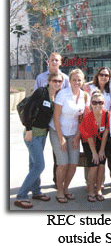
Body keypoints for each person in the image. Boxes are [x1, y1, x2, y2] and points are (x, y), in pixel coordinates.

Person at [14, 72, 63, 209]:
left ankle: (36, 192)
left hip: (42, 135)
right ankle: (21, 196)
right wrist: (28, 129)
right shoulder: (41, 92)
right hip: (32, 134)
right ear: (49, 81)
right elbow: (28, 108)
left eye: (60, 81)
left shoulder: (55, 96)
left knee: (33, 165)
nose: (57, 83)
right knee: (39, 166)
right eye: (55, 80)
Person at [50, 69, 87, 203]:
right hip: (58, 131)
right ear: (69, 81)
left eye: (79, 80)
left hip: (74, 133)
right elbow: (56, 118)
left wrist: (77, 137)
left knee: (73, 163)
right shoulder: (62, 94)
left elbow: (83, 119)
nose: (77, 82)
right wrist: (61, 138)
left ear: (83, 81)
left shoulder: (84, 95)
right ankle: (59, 191)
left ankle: (66, 189)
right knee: (63, 163)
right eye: (74, 80)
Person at [34, 52, 70, 186]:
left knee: (58, 153)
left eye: (57, 60)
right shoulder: (40, 78)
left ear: (61, 62)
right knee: (37, 154)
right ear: (47, 62)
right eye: (52, 60)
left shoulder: (65, 78)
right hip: (42, 121)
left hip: (58, 121)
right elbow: (34, 99)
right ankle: (35, 183)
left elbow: (67, 98)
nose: (54, 62)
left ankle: (58, 180)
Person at [79, 91, 110, 202]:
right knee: (94, 164)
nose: (97, 105)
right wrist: (94, 153)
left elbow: (106, 133)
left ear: (104, 103)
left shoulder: (107, 115)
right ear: (91, 104)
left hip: (102, 141)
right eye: (94, 102)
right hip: (89, 141)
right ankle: (91, 190)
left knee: (101, 164)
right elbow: (90, 137)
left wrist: (101, 150)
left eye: (100, 102)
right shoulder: (88, 117)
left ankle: (98, 190)